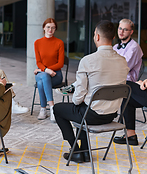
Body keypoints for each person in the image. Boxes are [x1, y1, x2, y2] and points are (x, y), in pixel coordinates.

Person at [53, 20, 129, 163]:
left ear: (97, 37)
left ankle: (75, 149)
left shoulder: (88, 60)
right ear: (113, 38)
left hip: (92, 115)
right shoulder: (123, 61)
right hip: (112, 114)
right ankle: (85, 151)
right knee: (82, 108)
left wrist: (78, 95)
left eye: (94, 34)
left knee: (59, 109)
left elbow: (77, 98)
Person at [57, 18, 143, 95]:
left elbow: (124, 67)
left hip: (125, 81)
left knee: (94, 78)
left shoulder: (134, 47)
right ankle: (75, 89)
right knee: (92, 75)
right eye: (120, 28)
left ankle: (77, 92)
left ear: (131, 32)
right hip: (112, 77)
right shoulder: (116, 46)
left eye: (125, 29)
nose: (121, 32)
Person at [34, 18, 64, 122]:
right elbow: (38, 62)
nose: (50, 30)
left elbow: (60, 63)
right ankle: (52, 108)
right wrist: (46, 70)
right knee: (44, 77)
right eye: (48, 27)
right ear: (44, 28)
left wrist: (45, 69)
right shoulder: (37, 43)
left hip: (56, 75)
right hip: (43, 73)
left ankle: (43, 109)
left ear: (55, 29)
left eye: (53, 28)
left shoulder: (59, 43)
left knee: (42, 82)